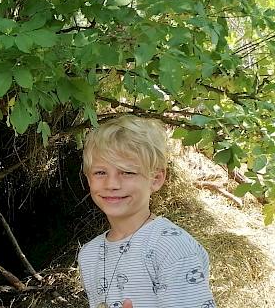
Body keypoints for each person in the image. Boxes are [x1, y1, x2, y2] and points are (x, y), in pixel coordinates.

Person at [78, 115, 216, 308]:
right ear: (88, 179)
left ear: (156, 179)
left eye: (127, 172)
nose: (112, 184)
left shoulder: (171, 247)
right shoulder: (88, 255)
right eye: (100, 172)